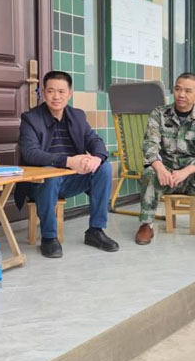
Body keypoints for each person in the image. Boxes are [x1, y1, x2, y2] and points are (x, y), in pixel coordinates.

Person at [15, 70, 119, 258]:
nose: (56, 96)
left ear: (70, 93)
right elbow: (30, 153)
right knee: (51, 174)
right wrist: (68, 161)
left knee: (104, 168)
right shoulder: (31, 118)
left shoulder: (77, 116)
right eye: (51, 91)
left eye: (61, 91)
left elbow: (95, 140)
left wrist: (96, 158)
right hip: (40, 183)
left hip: (70, 181)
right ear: (43, 93)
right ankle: (49, 237)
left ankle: (95, 231)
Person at [135, 73, 195, 249]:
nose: (181, 95)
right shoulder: (159, 114)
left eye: (188, 91)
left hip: (191, 177)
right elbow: (150, 144)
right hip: (165, 175)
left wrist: (185, 172)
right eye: (178, 89)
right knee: (149, 172)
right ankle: (146, 225)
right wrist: (160, 168)